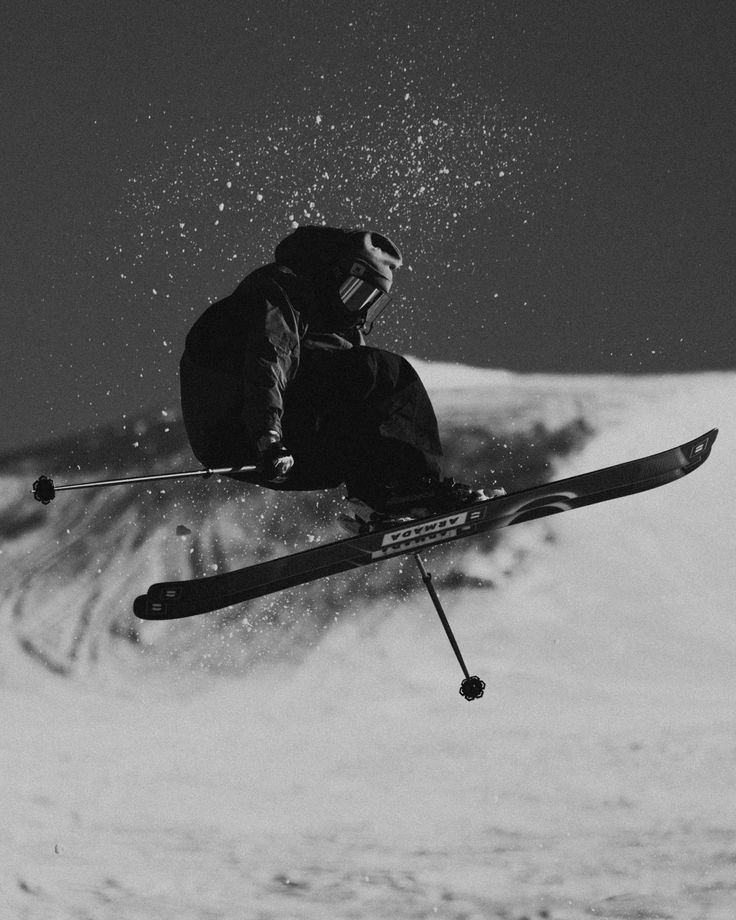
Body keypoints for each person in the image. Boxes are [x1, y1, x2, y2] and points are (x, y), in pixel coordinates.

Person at [179, 225, 492, 529]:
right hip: (243, 430)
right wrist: (267, 437)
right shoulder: (282, 293)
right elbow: (267, 359)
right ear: (332, 273)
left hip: (274, 450)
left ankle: (383, 499)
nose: (358, 309)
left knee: (378, 395)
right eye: (354, 292)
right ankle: (409, 490)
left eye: (370, 302)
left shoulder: (333, 331)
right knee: (387, 372)